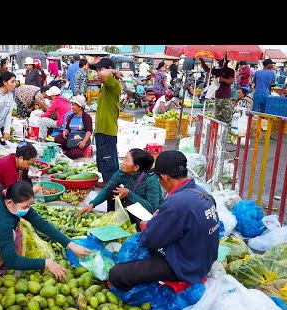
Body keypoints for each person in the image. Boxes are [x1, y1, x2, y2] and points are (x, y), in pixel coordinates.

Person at [108, 150, 219, 292]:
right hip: (202, 260)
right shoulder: (202, 193)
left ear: (165, 177)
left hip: (186, 267)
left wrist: (147, 225)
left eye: (159, 178)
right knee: (145, 226)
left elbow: (150, 239)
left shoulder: (175, 202)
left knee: (117, 274)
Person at [0, 180, 91, 278]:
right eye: (25, 206)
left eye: (29, 205)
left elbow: (42, 224)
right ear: (10, 202)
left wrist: (70, 245)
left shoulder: (12, 205)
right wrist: (46, 263)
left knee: (10, 236)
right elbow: (11, 260)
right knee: (8, 237)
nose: (28, 209)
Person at [77, 148, 162, 231]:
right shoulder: (122, 173)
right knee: (112, 190)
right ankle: (111, 216)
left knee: (130, 203)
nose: (123, 162)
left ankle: (131, 224)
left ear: (136, 167)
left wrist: (129, 193)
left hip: (146, 213)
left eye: (126, 160)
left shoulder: (150, 180)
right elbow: (108, 188)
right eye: (124, 158)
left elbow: (152, 208)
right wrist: (93, 204)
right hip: (131, 203)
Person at [89, 57, 122, 188]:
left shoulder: (113, 85)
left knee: (108, 157)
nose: (98, 73)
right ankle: (107, 180)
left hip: (108, 129)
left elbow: (105, 74)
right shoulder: (104, 88)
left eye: (100, 70)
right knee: (103, 156)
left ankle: (110, 183)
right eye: (96, 71)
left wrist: (113, 71)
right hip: (102, 129)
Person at [54, 94, 93, 159]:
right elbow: (67, 128)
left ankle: (66, 153)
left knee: (75, 153)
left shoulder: (86, 117)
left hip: (81, 138)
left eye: (74, 105)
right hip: (71, 137)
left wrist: (83, 142)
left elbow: (89, 131)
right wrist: (65, 131)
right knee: (58, 138)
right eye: (72, 105)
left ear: (80, 107)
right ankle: (67, 150)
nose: (72, 107)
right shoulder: (71, 116)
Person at [199, 57, 235, 125]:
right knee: (218, 117)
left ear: (224, 61)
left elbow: (230, 81)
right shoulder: (218, 71)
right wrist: (201, 61)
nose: (218, 62)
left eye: (219, 61)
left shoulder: (230, 71)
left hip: (226, 97)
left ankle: (227, 133)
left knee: (227, 117)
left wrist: (223, 79)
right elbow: (207, 69)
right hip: (218, 96)